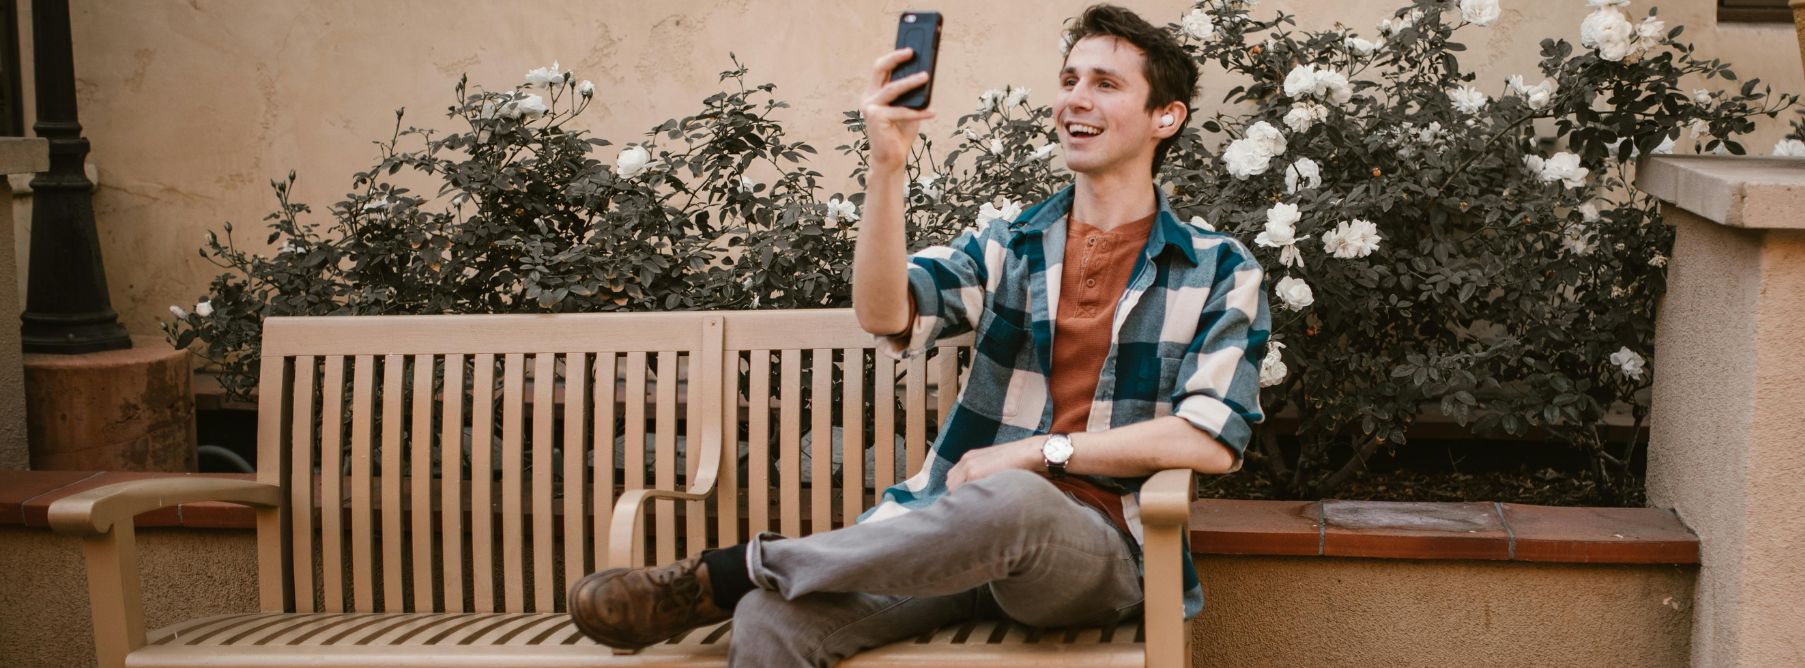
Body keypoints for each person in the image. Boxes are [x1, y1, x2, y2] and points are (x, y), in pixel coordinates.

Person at [567, 5, 1270, 665]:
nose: (1074, 99)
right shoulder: (1011, 244)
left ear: (1165, 117)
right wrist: (887, 165)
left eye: (1105, 83)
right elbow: (886, 311)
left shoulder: (1215, 267)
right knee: (768, 621)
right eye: (1068, 80)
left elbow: (1207, 436)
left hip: (1096, 550)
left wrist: (1037, 453)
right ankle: (750, 583)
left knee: (1017, 497)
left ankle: (736, 568)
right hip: (953, 536)